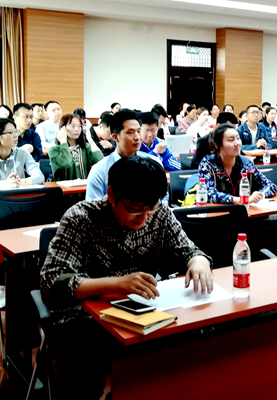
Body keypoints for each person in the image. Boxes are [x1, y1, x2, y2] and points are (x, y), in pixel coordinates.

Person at [41, 156, 212, 400]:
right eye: (134, 209)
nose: (144, 217)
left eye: (150, 208)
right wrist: (118, 284)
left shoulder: (158, 213)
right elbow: (52, 282)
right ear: (111, 194)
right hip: (83, 317)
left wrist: (198, 260)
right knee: (83, 361)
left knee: (194, 342)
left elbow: (187, 249)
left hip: (143, 311)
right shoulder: (81, 218)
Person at [86, 109, 162, 201]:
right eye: (130, 132)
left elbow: (162, 198)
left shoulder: (153, 163)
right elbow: (93, 207)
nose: (137, 137)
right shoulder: (99, 171)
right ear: (115, 137)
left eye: (138, 131)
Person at [198, 124, 277, 204]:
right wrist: (242, 200)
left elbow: (271, 186)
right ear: (217, 146)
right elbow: (209, 194)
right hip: (218, 210)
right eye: (231, 140)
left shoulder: (246, 163)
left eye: (238, 139)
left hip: (245, 209)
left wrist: (260, 195)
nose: (237, 143)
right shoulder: (208, 164)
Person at [49, 114, 103, 182]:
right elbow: (65, 163)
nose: (77, 129)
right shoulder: (54, 150)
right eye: (73, 126)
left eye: (79, 126)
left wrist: (90, 139)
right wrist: (63, 141)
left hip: (84, 187)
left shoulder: (85, 147)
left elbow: (100, 161)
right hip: (63, 188)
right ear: (63, 128)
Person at [0, 118, 44, 188]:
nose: (16, 135)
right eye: (11, 132)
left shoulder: (22, 153)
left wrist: (21, 182)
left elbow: (40, 176)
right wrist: (5, 184)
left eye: (16, 131)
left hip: (18, 194)